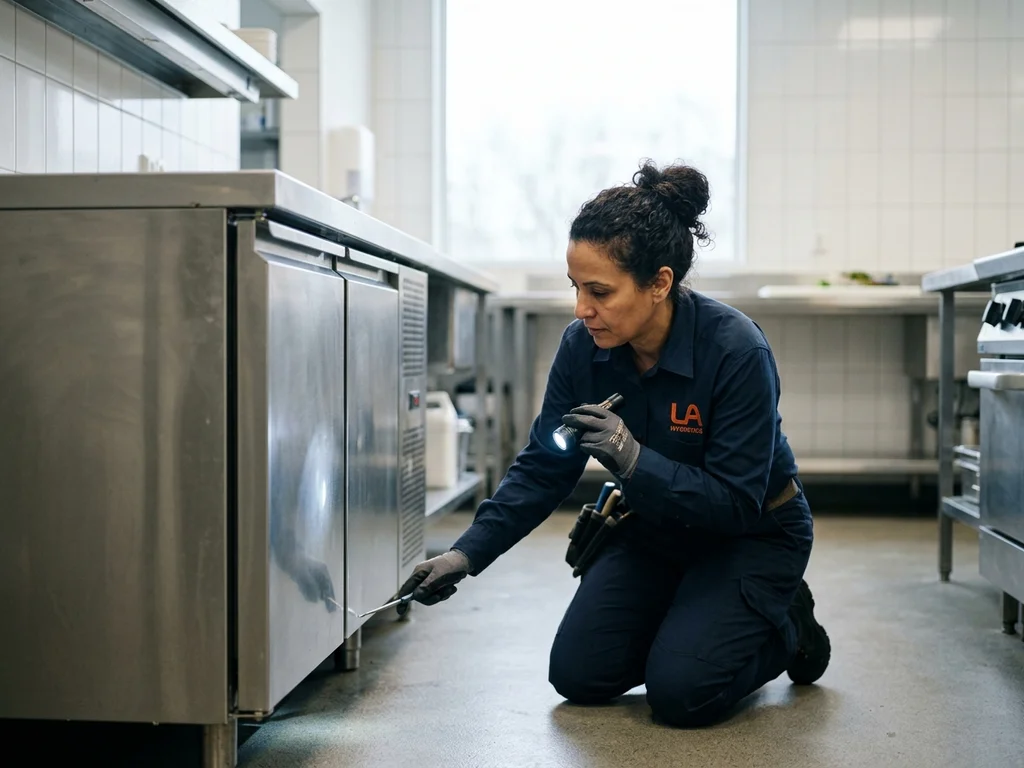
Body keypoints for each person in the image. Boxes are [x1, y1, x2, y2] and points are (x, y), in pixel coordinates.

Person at [396, 160, 831, 727]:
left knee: (681, 695)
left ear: (659, 283)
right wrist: (466, 553)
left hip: (750, 535)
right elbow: (544, 466)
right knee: (578, 675)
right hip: (654, 531)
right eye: (576, 288)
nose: (581, 309)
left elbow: (734, 503)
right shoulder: (584, 348)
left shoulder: (736, 352)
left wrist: (632, 457)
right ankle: (692, 618)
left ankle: (788, 622)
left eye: (600, 292)